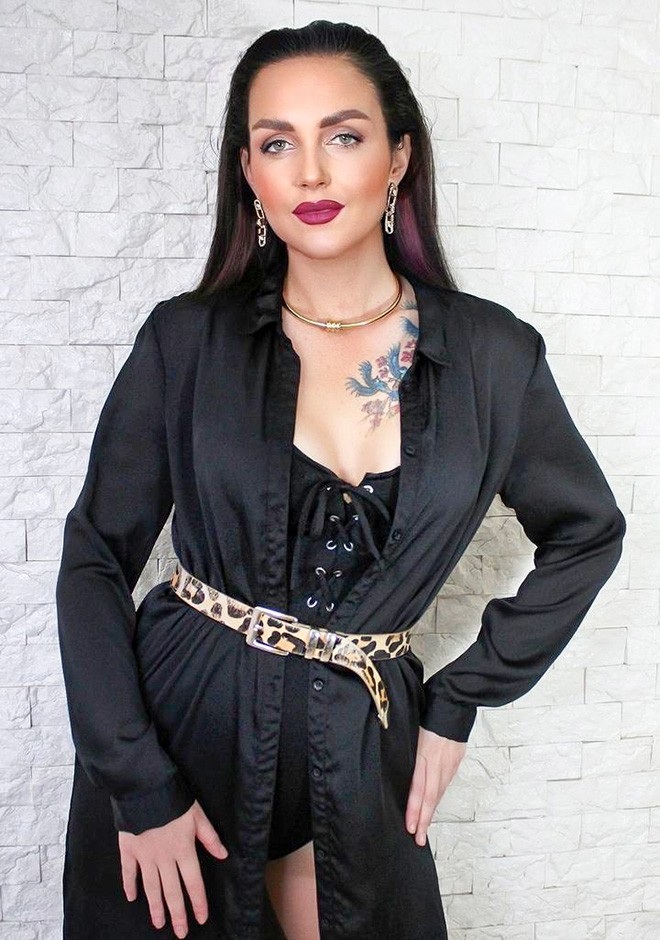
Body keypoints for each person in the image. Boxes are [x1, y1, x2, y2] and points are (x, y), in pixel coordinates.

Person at [55, 19, 626, 940]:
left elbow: (588, 531)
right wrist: (136, 781)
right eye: (278, 143)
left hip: (363, 751)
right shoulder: (184, 342)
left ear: (399, 156)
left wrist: (463, 695)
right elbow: (93, 556)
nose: (311, 174)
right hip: (179, 742)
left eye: (344, 136)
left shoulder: (494, 357)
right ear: (249, 172)